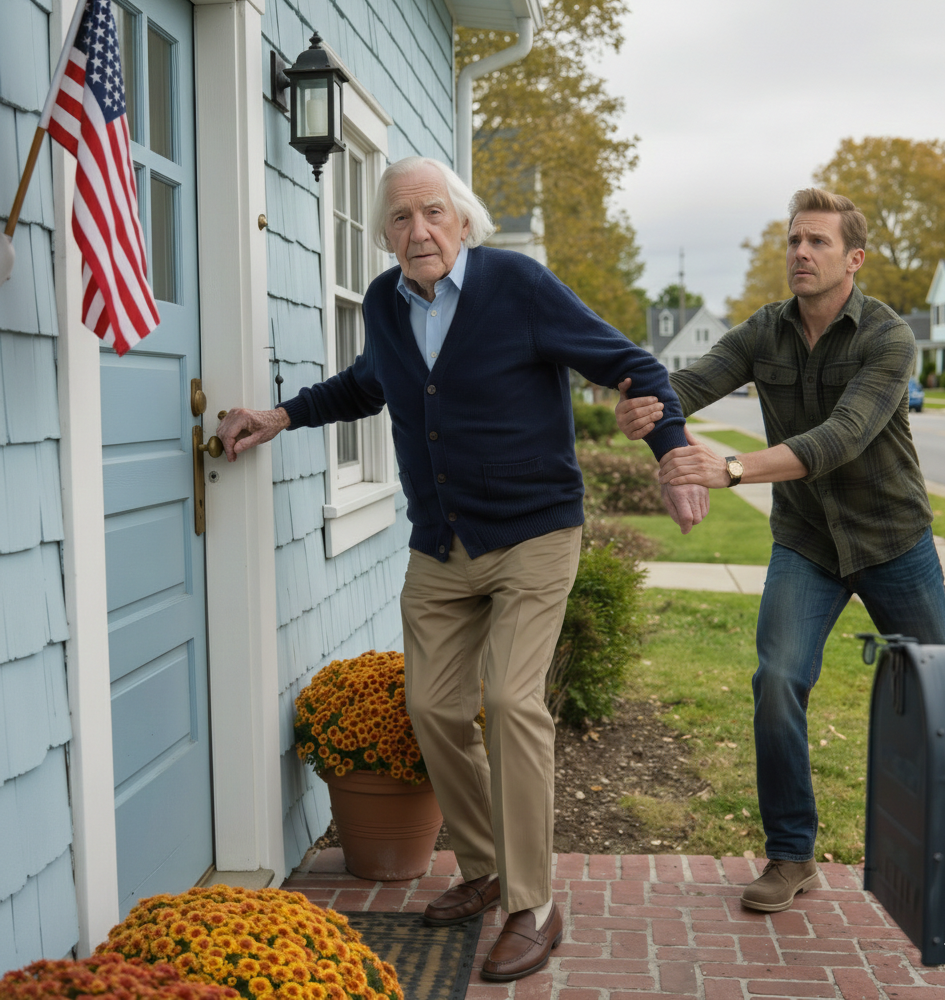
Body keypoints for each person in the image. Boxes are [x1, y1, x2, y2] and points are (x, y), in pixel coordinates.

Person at [217, 156, 707, 981]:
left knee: (514, 702)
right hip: (441, 542)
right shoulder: (384, 302)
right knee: (434, 707)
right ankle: (483, 867)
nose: (419, 232)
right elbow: (369, 383)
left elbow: (635, 366)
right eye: (401, 219)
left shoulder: (517, 286)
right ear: (383, 235)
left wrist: (673, 453)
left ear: (464, 221)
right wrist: (281, 414)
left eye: (434, 213)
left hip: (533, 534)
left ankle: (533, 905)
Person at [615, 188, 945, 913]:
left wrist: (731, 469)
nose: (800, 252)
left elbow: (842, 438)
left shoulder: (888, 338)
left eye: (818, 242)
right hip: (806, 542)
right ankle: (792, 855)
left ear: (853, 259)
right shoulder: (763, 332)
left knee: (942, 697)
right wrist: (645, 410)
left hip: (893, 540)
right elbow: (683, 387)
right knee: (776, 681)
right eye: (793, 241)